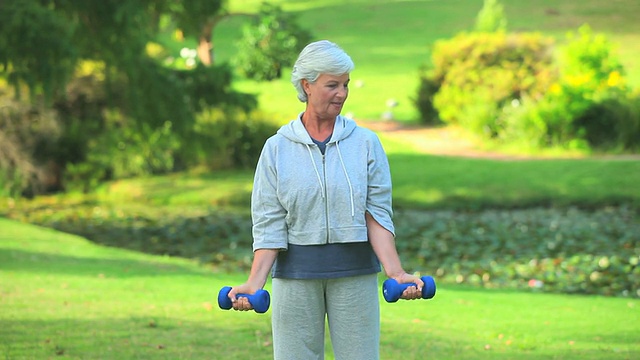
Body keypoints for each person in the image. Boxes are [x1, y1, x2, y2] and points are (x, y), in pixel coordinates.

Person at [228, 40, 424, 360]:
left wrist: (396, 272)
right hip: (295, 278)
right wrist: (254, 282)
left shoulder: (365, 144)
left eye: (345, 85)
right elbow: (269, 221)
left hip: (355, 275)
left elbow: (376, 214)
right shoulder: (277, 148)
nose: (342, 94)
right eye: (332, 85)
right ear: (307, 85)